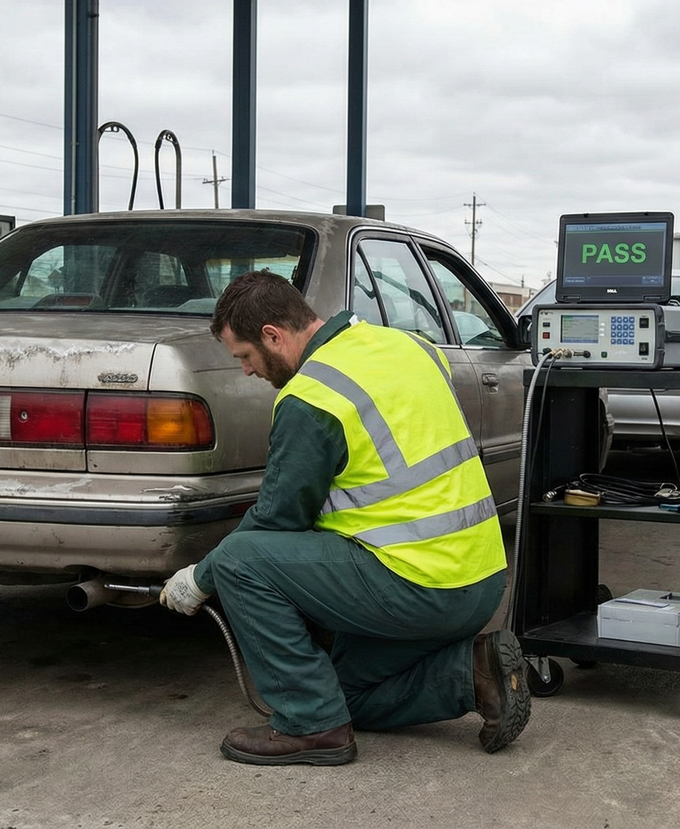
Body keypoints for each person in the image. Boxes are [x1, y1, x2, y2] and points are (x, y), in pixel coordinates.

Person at [159, 270, 531, 766]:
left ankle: (310, 728)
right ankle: (473, 672)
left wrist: (198, 578)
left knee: (239, 560)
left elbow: (277, 521)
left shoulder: (312, 396)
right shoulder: (409, 346)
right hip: (481, 580)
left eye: (245, 356)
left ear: (273, 335)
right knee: (343, 694)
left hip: (418, 585)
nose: (247, 371)